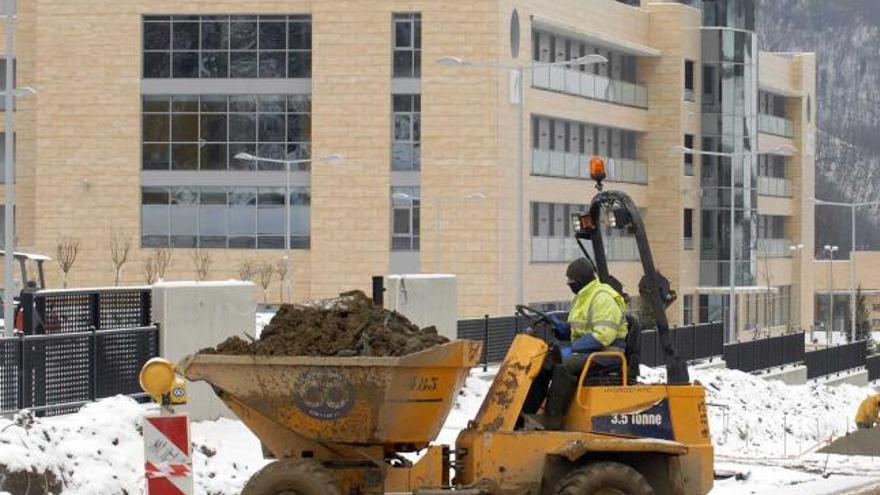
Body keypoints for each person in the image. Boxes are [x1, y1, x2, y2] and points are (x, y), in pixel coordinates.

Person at [523, 258, 629, 430]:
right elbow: (576, 329)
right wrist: (558, 326)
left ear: (582, 280)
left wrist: (572, 348)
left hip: (608, 352)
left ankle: (553, 420)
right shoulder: (582, 297)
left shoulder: (603, 297)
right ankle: (525, 413)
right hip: (590, 350)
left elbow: (603, 336)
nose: (569, 284)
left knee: (564, 367)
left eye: (571, 281)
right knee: (544, 363)